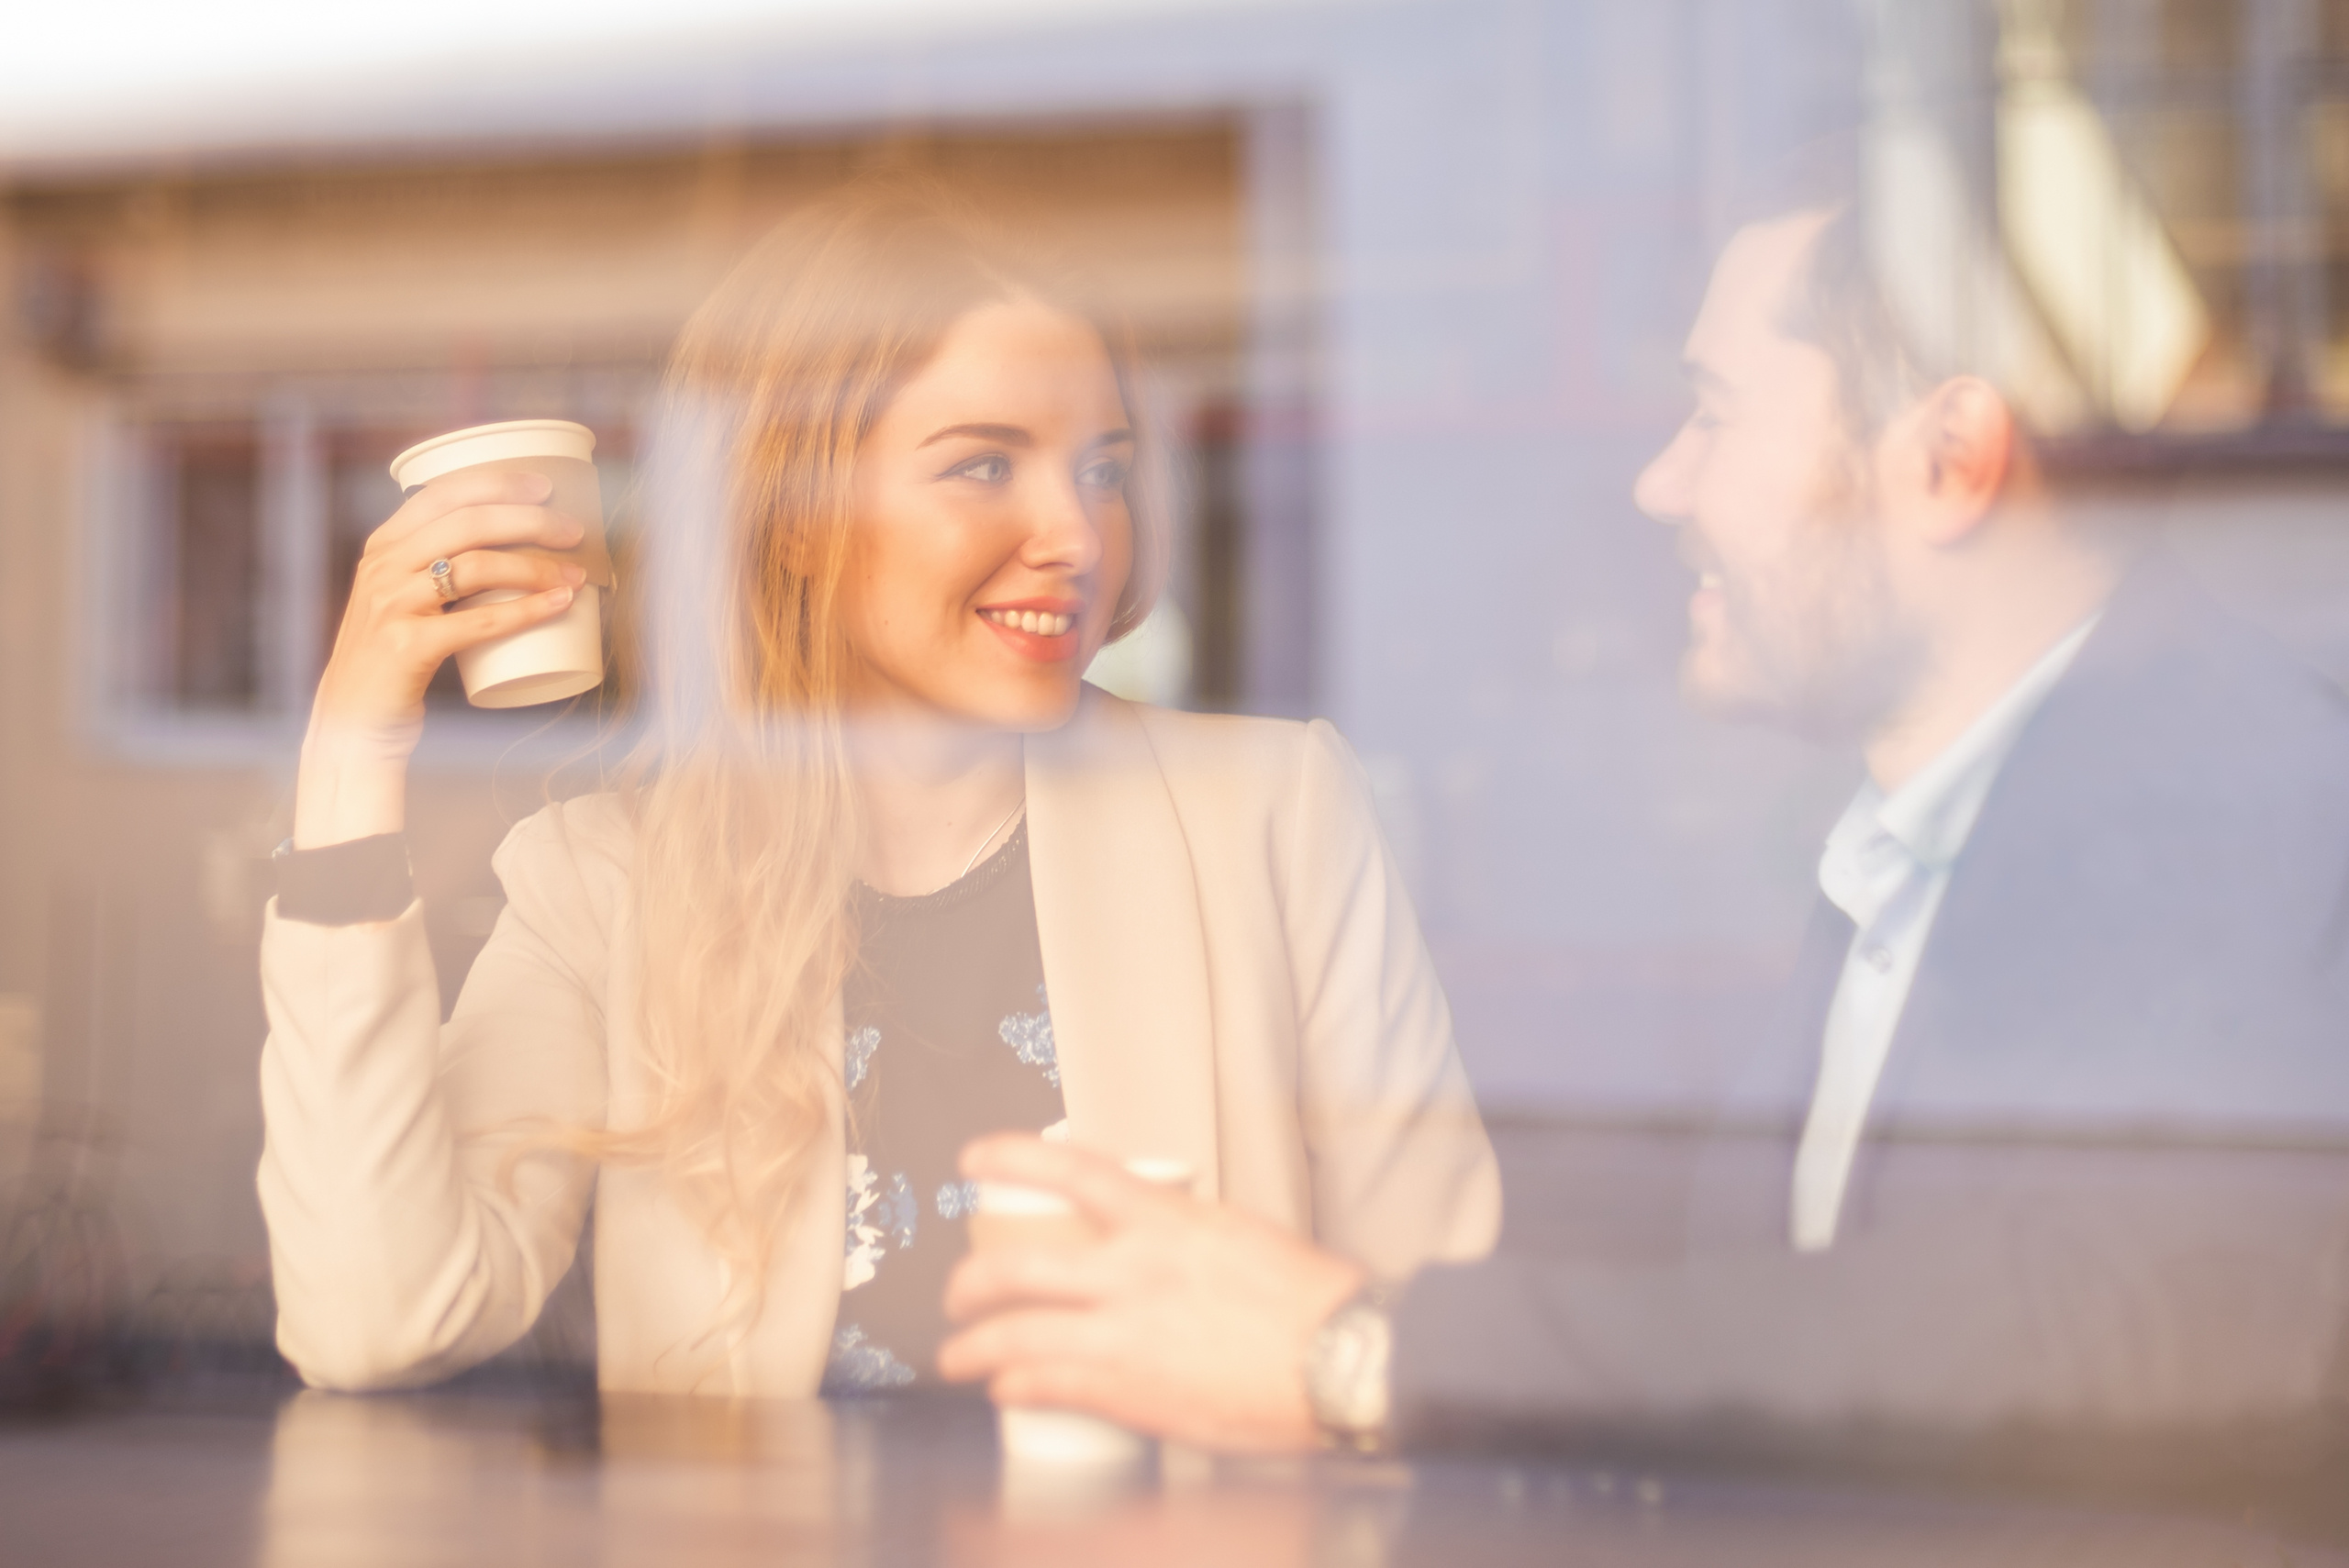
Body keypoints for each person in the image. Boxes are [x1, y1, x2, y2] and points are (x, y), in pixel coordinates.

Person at [938, 191, 2349, 1457]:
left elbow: (2101, 1318)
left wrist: (1350, 1348)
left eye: (1716, 416)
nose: (1659, 482)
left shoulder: (2239, 785)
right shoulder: (1926, 840)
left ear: (1950, 461)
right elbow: (1816, 1327)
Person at [255, 185, 1499, 1397]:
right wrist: (350, 755)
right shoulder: (603, 881)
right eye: (982, 466)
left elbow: (1450, 1345)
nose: (1075, 533)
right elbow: (375, 1318)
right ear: (794, 514)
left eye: (1103, 470)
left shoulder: (1275, 816)